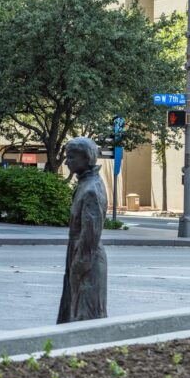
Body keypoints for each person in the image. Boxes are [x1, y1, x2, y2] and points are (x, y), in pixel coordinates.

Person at [57, 136, 108, 323]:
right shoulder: (84, 184)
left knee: (84, 316)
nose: (66, 162)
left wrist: (78, 267)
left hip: (86, 260)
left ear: (86, 158)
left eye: (71, 157)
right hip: (78, 255)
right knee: (74, 313)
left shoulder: (91, 190)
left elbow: (90, 236)